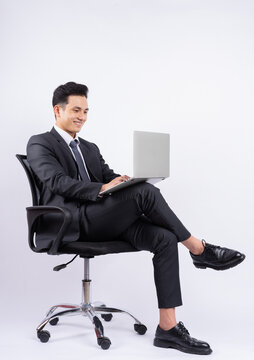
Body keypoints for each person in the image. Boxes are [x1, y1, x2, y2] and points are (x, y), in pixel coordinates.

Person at [27, 81, 245, 355]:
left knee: (164, 237)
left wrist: (119, 182)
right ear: (57, 110)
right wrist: (105, 189)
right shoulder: (40, 143)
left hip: (100, 218)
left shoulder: (90, 148)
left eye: (86, 111)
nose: (82, 116)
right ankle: (198, 248)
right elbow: (56, 182)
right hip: (70, 223)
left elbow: (106, 176)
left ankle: (168, 328)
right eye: (76, 110)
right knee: (145, 193)